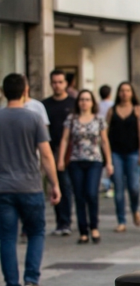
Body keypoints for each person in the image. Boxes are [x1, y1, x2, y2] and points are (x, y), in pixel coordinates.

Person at [0, 73, 61, 286]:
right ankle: (32, 280)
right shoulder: (34, 118)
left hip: (3, 188)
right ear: (25, 91)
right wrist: (54, 184)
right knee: (36, 232)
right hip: (30, 186)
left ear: (4, 92)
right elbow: (46, 154)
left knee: (7, 237)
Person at [57, 89, 113, 245]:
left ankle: (94, 227)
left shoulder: (99, 119)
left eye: (87, 99)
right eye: (82, 99)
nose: (84, 102)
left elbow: (105, 141)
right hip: (76, 161)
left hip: (94, 160)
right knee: (79, 195)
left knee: (91, 193)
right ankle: (83, 231)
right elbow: (64, 139)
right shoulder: (72, 119)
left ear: (92, 102)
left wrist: (109, 162)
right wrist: (60, 159)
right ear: (78, 102)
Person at [106, 82, 140, 232]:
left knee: (134, 186)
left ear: (132, 93)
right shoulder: (112, 110)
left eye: (128, 90)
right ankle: (121, 220)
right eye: (122, 90)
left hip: (133, 152)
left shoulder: (137, 110)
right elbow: (106, 133)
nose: (124, 93)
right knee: (119, 188)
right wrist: (107, 156)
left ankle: (135, 209)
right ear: (118, 93)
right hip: (116, 153)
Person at [42, 69, 76, 236]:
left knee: (68, 186)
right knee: (58, 186)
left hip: (72, 152)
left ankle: (67, 221)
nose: (57, 85)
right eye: (54, 82)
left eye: (60, 82)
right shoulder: (45, 104)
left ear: (66, 83)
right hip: (51, 151)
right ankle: (61, 221)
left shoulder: (72, 103)